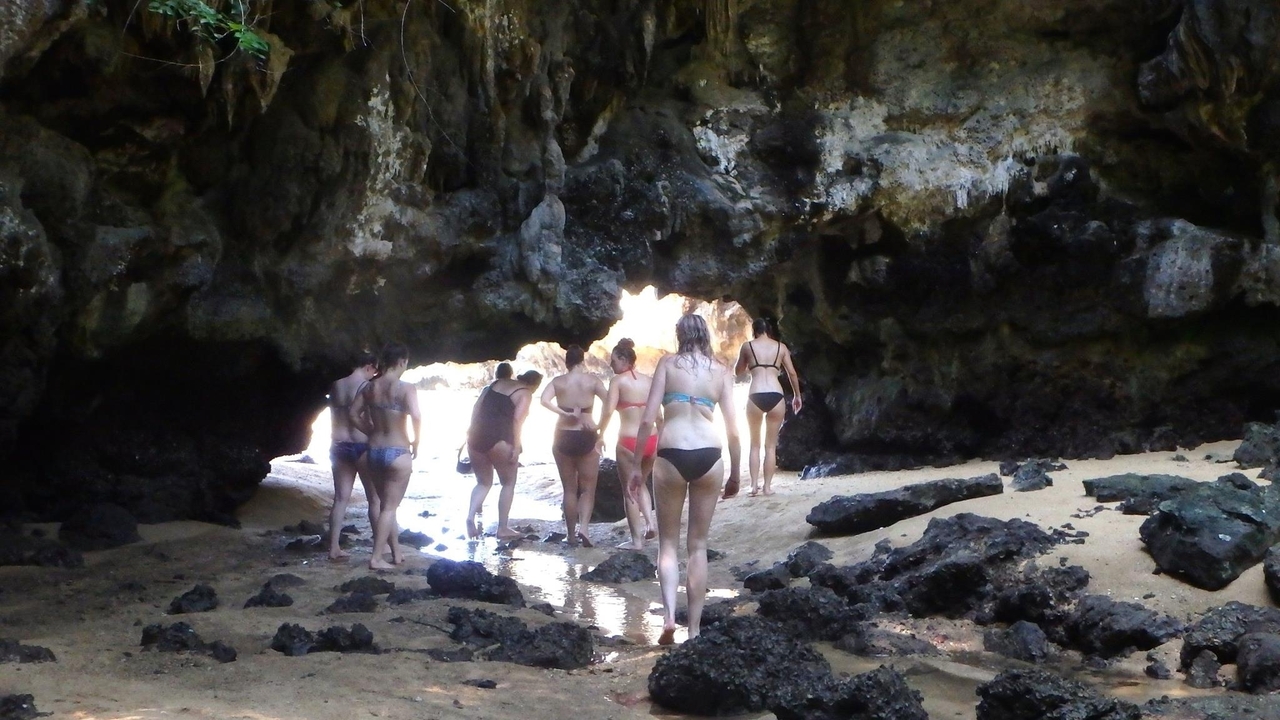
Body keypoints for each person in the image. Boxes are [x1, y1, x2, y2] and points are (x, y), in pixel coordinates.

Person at [627, 313, 740, 645]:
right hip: (709, 454)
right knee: (698, 546)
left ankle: (668, 619)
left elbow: (648, 418)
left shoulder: (667, 364)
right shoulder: (720, 371)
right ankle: (694, 630)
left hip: (671, 453)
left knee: (667, 545)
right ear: (706, 335)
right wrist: (735, 472)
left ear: (680, 336)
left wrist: (636, 467)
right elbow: (733, 429)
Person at [350, 343, 422, 571]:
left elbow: (353, 413)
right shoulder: (406, 388)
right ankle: (376, 558)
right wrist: (417, 440)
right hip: (398, 451)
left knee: (385, 507)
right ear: (401, 361)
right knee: (389, 508)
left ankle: (396, 552)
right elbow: (417, 416)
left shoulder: (370, 387)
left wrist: (369, 430)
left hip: (374, 450)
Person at [464, 363, 542, 540]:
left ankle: (470, 517)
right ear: (535, 385)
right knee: (508, 483)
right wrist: (516, 446)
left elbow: (476, 410)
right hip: (501, 439)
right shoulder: (525, 393)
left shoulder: (493, 385)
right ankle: (503, 528)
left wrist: (470, 434)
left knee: (483, 482)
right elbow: (517, 421)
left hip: (475, 437)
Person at [541, 344, 608, 547]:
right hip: (587, 434)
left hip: (563, 435)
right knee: (588, 489)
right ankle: (584, 529)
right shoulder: (593, 381)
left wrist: (564, 413)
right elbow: (610, 403)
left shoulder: (558, 382)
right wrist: (600, 429)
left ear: (567, 362)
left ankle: (570, 535)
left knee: (569, 489)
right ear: (582, 361)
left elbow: (544, 400)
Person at [597, 338, 658, 549]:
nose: (610, 365)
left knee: (629, 490)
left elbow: (607, 410)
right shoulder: (649, 381)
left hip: (629, 441)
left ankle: (636, 541)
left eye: (613, 360)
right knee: (641, 483)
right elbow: (658, 415)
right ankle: (650, 524)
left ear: (623, 359)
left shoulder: (617, 382)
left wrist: (599, 431)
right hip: (653, 439)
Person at [734, 318, 802, 497]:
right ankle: (767, 487)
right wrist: (797, 395)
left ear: (754, 330)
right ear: (769, 330)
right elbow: (792, 373)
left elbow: (738, 371)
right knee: (770, 446)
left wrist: (750, 364)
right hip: (776, 395)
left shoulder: (747, 346)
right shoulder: (781, 347)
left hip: (755, 394)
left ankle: (753, 486)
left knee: (754, 445)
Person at [326, 351, 381, 560]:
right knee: (374, 499)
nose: (375, 374)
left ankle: (333, 548)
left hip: (338, 444)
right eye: (375, 369)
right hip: (361, 445)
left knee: (340, 499)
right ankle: (380, 547)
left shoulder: (336, 385)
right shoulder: (367, 388)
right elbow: (369, 417)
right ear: (368, 365)